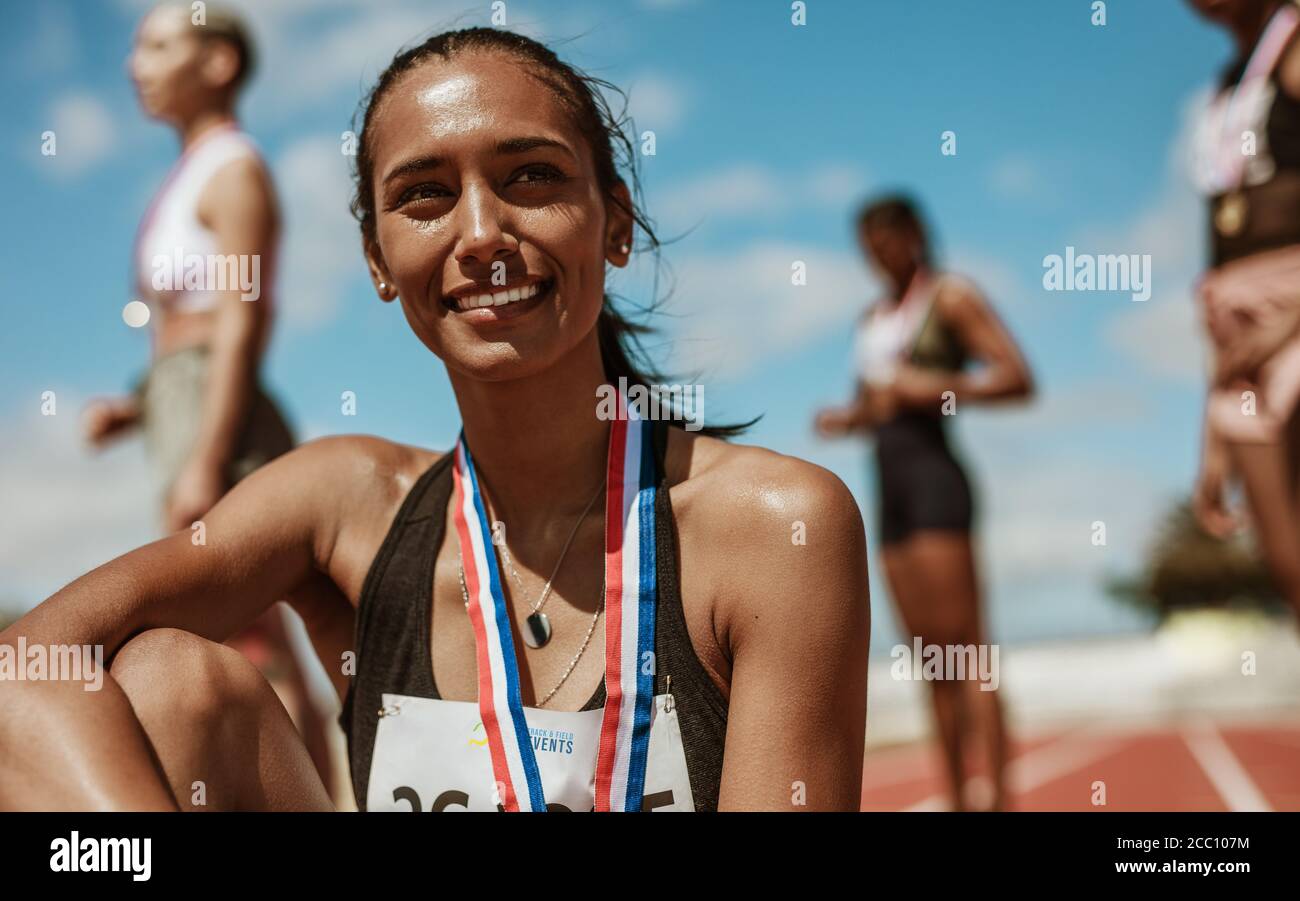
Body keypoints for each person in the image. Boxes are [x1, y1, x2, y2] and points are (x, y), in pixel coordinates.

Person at [0, 27, 870, 812]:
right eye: (425, 194)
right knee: (166, 680)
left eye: (531, 175)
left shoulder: (777, 526)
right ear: (379, 260)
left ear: (615, 225)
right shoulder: (343, 502)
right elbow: (25, 666)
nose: (483, 232)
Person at [77, 2, 336, 797]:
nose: (133, 63)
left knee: (248, 629)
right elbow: (185, 330)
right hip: (182, 398)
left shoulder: (233, 168)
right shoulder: (193, 172)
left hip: (213, 410)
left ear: (218, 61)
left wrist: (207, 453)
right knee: (238, 626)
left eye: (156, 45)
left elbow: (241, 315)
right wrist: (140, 405)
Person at [815, 196, 1033, 811]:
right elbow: (874, 405)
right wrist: (848, 417)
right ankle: (961, 800)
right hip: (892, 492)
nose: (878, 254)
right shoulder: (871, 318)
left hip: (937, 480)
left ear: (914, 236)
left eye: (888, 239)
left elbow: (1017, 378)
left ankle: (1000, 799)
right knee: (931, 663)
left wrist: (933, 387)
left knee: (968, 653)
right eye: (867, 244)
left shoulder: (952, 296)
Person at [1187, 0, 1300, 627]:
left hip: (1294, 304)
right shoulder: (1226, 84)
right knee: (1283, 553)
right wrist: (1213, 441)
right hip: (1239, 328)